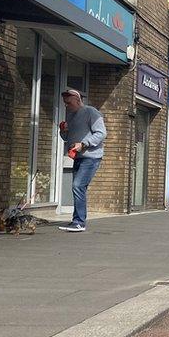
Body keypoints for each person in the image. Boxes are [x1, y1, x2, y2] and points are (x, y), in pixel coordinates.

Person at [58, 89, 106, 232]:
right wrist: (63, 131)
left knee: (77, 185)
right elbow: (67, 139)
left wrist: (83, 144)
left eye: (69, 103)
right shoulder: (70, 115)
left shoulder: (91, 112)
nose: (66, 106)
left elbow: (101, 133)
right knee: (79, 188)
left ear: (78, 101)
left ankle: (79, 222)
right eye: (65, 103)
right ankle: (77, 220)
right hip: (78, 157)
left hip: (91, 157)